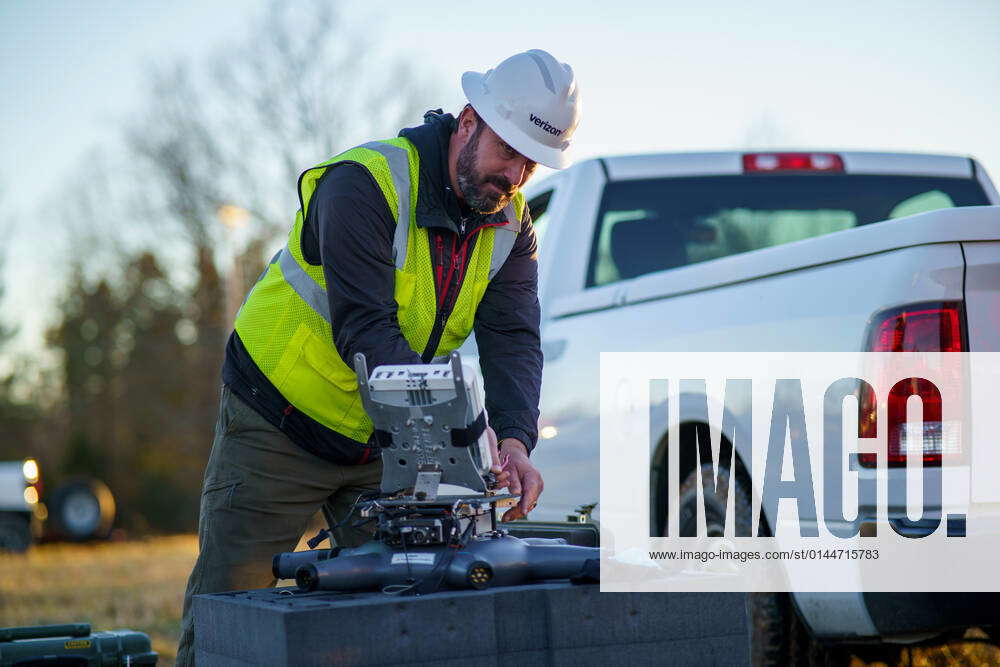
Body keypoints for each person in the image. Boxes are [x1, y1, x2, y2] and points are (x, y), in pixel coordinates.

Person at [175, 48, 581, 665]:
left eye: (531, 161)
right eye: (509, 151)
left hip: (387, 443)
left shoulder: (511, 224)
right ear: (468, 121)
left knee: (398, 618)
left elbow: (514, 338)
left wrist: (517, 440)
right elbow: (366, 328)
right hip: (278, 424)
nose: (516, 175)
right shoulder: (364, 185)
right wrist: (466, 438)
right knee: (231, 614)